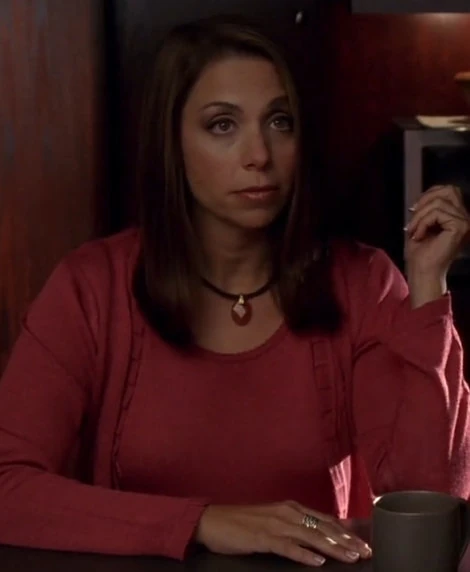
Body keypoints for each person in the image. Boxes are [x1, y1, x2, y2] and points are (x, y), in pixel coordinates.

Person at [0, 14, 469, 569]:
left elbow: (428, 502)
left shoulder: (362, 282)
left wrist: (427, 289)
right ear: (171, 143)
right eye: (222, 125)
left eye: (280, 122)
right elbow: (8, 487)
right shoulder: (91, 287)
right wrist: (203, 521)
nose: (260, 155)